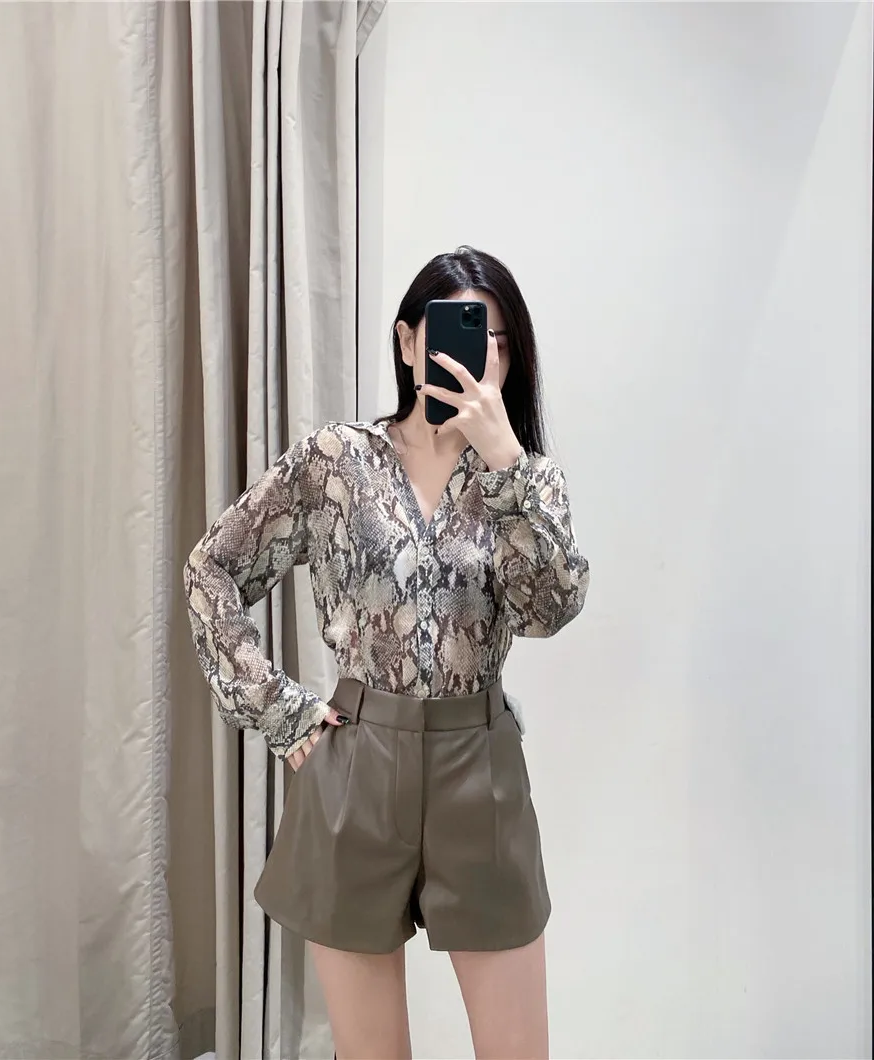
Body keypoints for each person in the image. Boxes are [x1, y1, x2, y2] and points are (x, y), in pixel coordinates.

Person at [184, 246, 590, 1060]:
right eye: (462, 331)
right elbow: (212, 568)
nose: (483, 355)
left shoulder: (527, 481)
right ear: (408, 342)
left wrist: (506, 465)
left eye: (500, 340)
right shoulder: (337, 463)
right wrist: (280, 710)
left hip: (480, 769)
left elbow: (549, 610)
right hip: (356, 765)